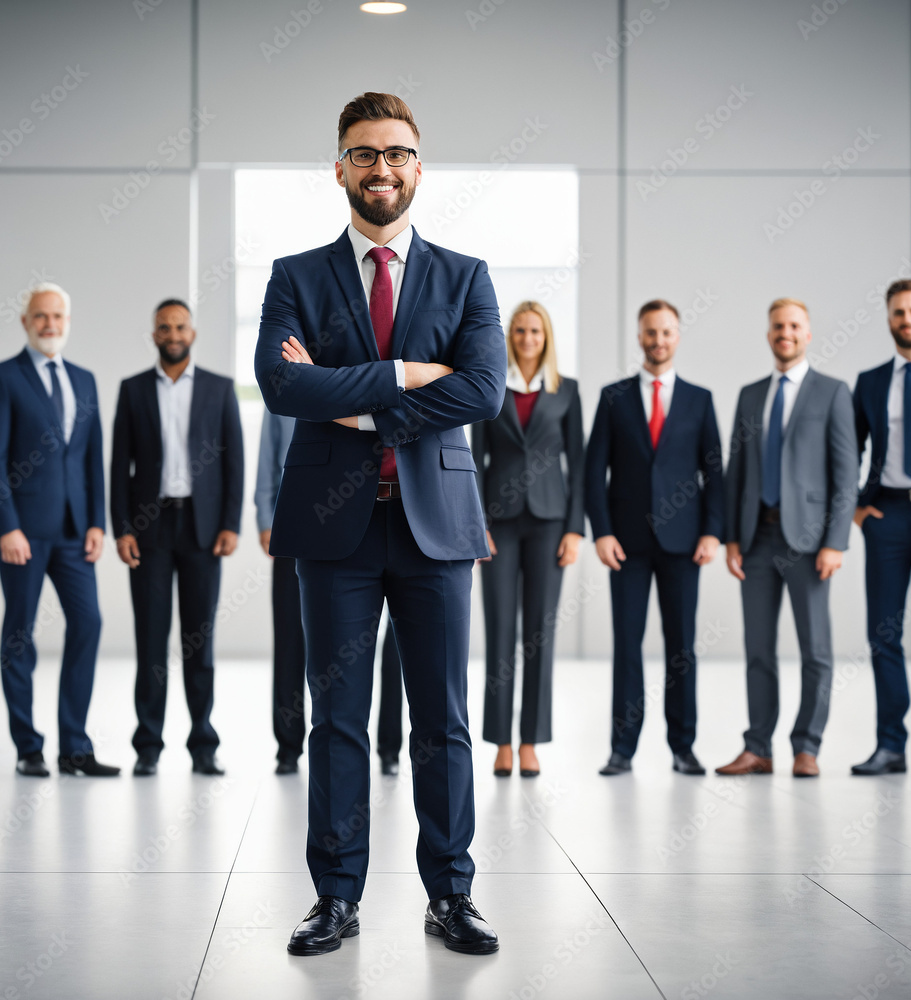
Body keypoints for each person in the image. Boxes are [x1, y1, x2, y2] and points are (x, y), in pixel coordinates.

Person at [255, 92, 506, 957]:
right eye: (364, 154)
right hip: (335, 532)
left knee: (443, 720)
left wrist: (355, 402)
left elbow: (483, 390)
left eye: (396, 153)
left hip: (436, 525)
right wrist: (403, 373)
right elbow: (284, 387)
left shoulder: (466, 274)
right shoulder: (295, 275)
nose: (382, 168)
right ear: (339, 169)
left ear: (418, 168)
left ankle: (452, 893)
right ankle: (335, 896)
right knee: (338, 720)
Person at [0, 283, 118, 777]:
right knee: (20, 634)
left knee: (89, 622)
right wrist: (7, 526)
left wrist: (98, 522)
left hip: (75, 531)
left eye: (57, 315)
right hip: (23, 533)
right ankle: (27, 747)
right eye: (40, 316)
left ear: (67, 320)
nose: (50, 324)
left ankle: (74, 746)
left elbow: (91, 459)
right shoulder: (3, 378)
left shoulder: (84, 380)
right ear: (25, 323)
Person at [716, 298, 857, 778]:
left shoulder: (833, 393)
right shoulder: (751, 394)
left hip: (811, 541)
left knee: (815, 648)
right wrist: (732, 538)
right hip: (756, 539)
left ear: (809, 333)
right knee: (758, 648)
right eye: (778, 326)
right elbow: (736, 471)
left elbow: (846, 473)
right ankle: (758, 746)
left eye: (795, 325)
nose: (786, 333)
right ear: (769, 332)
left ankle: (807, 746)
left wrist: (836, 540)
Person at [584, 299, 723, 777]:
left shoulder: (699, 399)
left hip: (685, 544)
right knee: (627, 645)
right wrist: (601, 533)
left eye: (666, 332)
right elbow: (592, 472)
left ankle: (683, 747)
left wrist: (712, 532)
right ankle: (622, 748)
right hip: (627, 544)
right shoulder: (613, 396)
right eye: (650, 332)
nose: (658, 340)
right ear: (639, 336)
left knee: (681, 646)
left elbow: (714, 473)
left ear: (677, 336)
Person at [110, 299, 244, 777]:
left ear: (193, 332)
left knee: (198, 640)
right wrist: (121, 528)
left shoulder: (219, 389)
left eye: (180, 326)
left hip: (203, 530)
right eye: (163, 327)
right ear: (153, 335)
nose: (172, 333)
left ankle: (203, 743)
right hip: (149, 529)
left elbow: (234, 462)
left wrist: (231, 523)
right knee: (150, 640)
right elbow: (118, 466)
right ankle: (148, 745)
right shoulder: (132, 391)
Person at [255, 411, 404, 777]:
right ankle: (288, 745)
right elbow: (266, 457)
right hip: (295, 522)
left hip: (373, 518)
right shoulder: (291, 384)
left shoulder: (365, 382)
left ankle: (389, 747)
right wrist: (265, 518)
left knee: (397, 642)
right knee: (291, 637)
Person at [471, 300, 583, 779]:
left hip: (549, 523)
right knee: (500, 632)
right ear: (509, 336)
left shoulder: (566, 391)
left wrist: (576, 529)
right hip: (498, 524)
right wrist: (476, 526)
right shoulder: (490, 385)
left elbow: (579, 464)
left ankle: (531, 740)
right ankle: (501, 741)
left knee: (540, 634)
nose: (527, 338)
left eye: (535, 331)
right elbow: (473, 459)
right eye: (519, 330)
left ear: (546, 336)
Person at [850, 278, 911, 775]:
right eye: (900, 313)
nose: (909, 320)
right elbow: (847, 449)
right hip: (889, 515)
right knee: (884, 632)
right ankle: (891, 745)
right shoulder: (871, 381)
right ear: (888, 318)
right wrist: (856, 508)